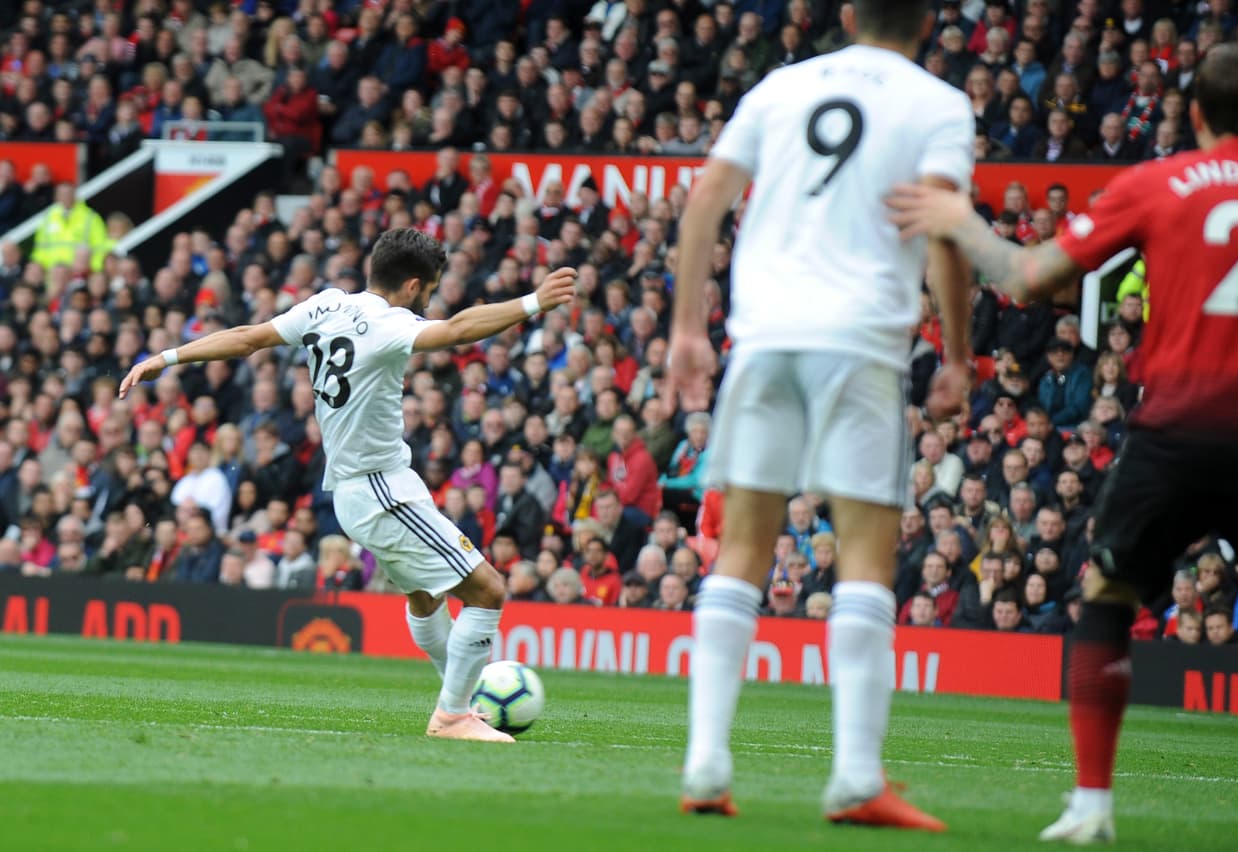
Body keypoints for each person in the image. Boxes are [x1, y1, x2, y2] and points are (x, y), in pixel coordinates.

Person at [887, 43, 1238, 843]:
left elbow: (1029, 280)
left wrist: (961, 223)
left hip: (1175, 430)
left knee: (1107, 602)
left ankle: (1093, 805)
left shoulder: (1158, 183)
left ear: (1194, 115)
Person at [670, 0, 970, 830]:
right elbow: (941, 231)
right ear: (932, 21)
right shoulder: (938, 105)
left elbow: (705, 202)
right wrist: (955, 352)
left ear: (845, 13)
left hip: (764, 339)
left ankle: (704, 761)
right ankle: (854, 778)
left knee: (741, 549)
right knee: (866, 561)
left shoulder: (781, 85)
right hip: (862, 342)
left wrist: (689, 330)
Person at [120, 229, 576, 744]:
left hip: (366, 488)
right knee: (488, 590)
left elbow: (247, 338)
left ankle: (461, 702)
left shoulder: (325, 306)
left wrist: (169, 356)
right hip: (381, 489)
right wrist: (534, 301)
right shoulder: (390, 324)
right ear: (411, 286)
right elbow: (456, 330)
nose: (428, 300)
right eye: (428, 289)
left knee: (426, 597)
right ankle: (452, 715)